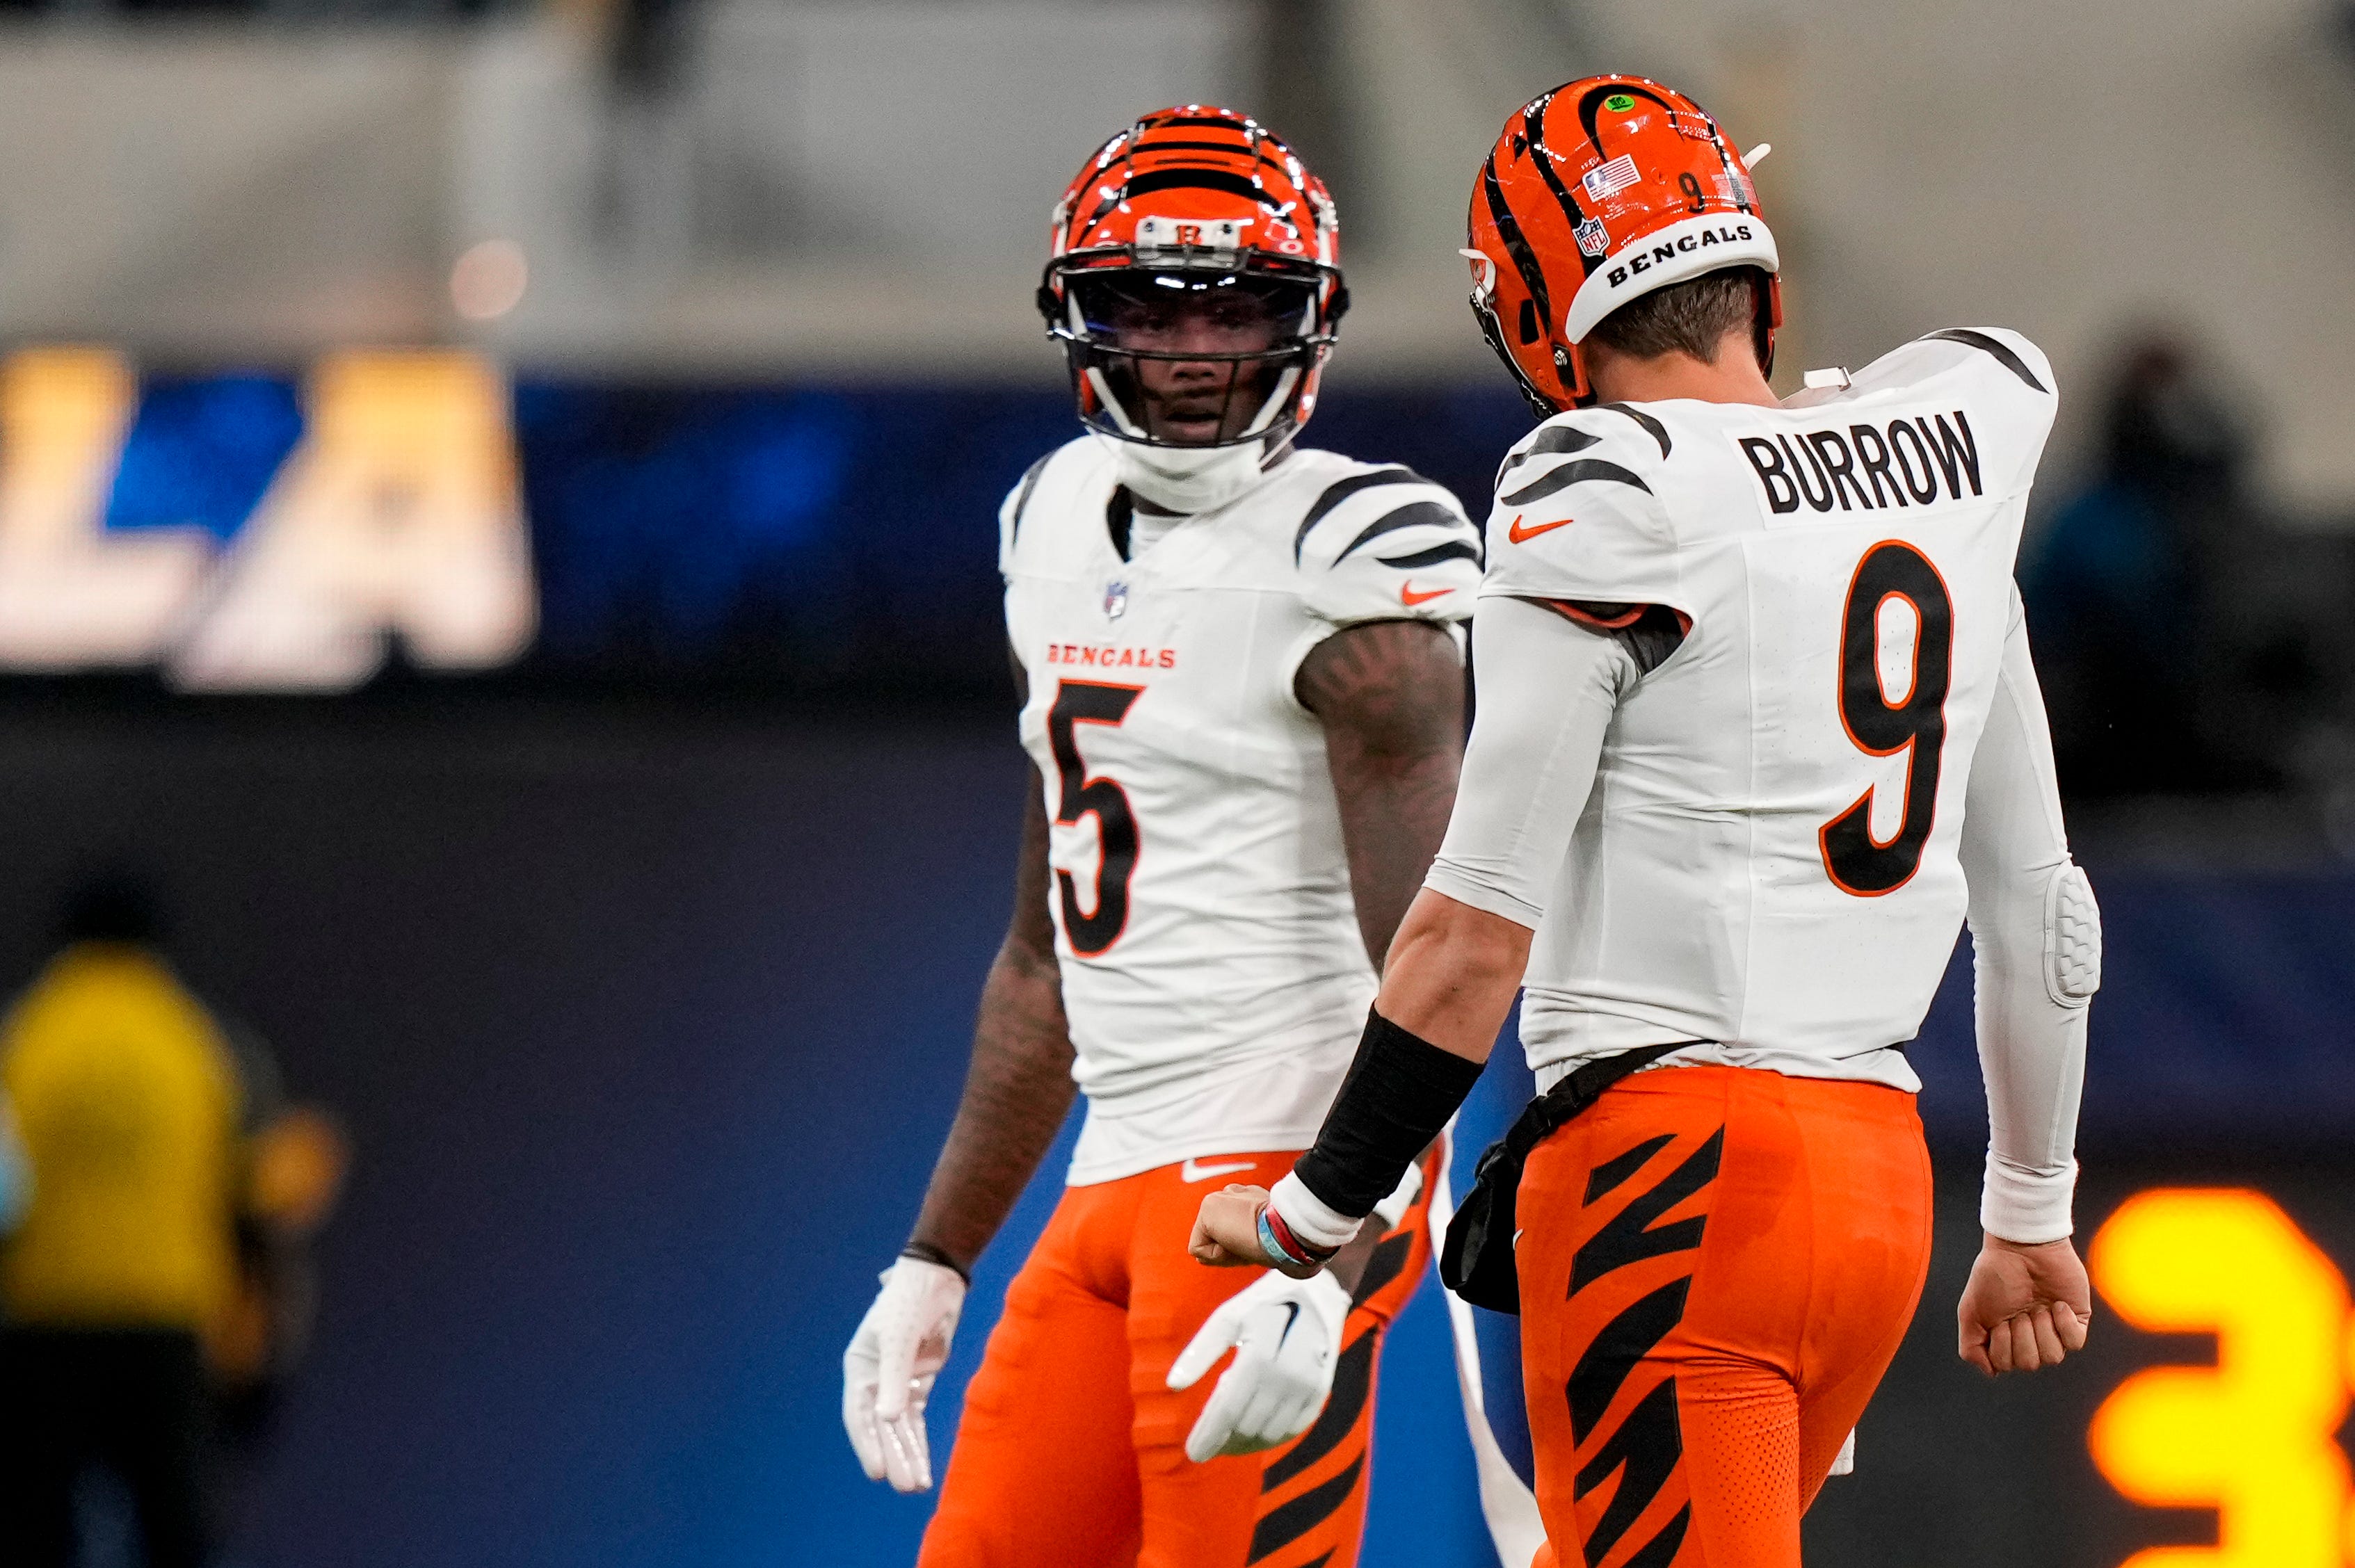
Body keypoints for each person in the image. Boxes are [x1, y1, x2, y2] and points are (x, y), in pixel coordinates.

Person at [1192, 76, 2100, 1568]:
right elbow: (2042, 907)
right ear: (1752, 268)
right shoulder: (1955, 444)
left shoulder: (1605, 488)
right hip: (1879, 1177)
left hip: (1676, 1171)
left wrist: (1310, 1212)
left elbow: (1471, 936)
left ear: (1538, 313)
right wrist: (2028, 1204)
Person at [840, 105, 1484, 1567]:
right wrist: (935, 1249)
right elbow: (1043, 953)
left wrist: (1333, 1260)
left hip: (1284, 1169)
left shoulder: (1355, 558)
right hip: (1110, 1171)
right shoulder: (1049, 516)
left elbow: (1446, 967)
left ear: (1304, 325)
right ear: (1082, 321)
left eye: (1237, 308)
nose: (1193, 354)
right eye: (1146, 306)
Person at [0, 878, 246, 1568]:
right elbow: (235, 1179)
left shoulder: (29, 1033)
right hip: (165, 1315)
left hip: (46, 1315)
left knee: (35, 1524)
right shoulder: (194, 1039)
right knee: (172, 1523)